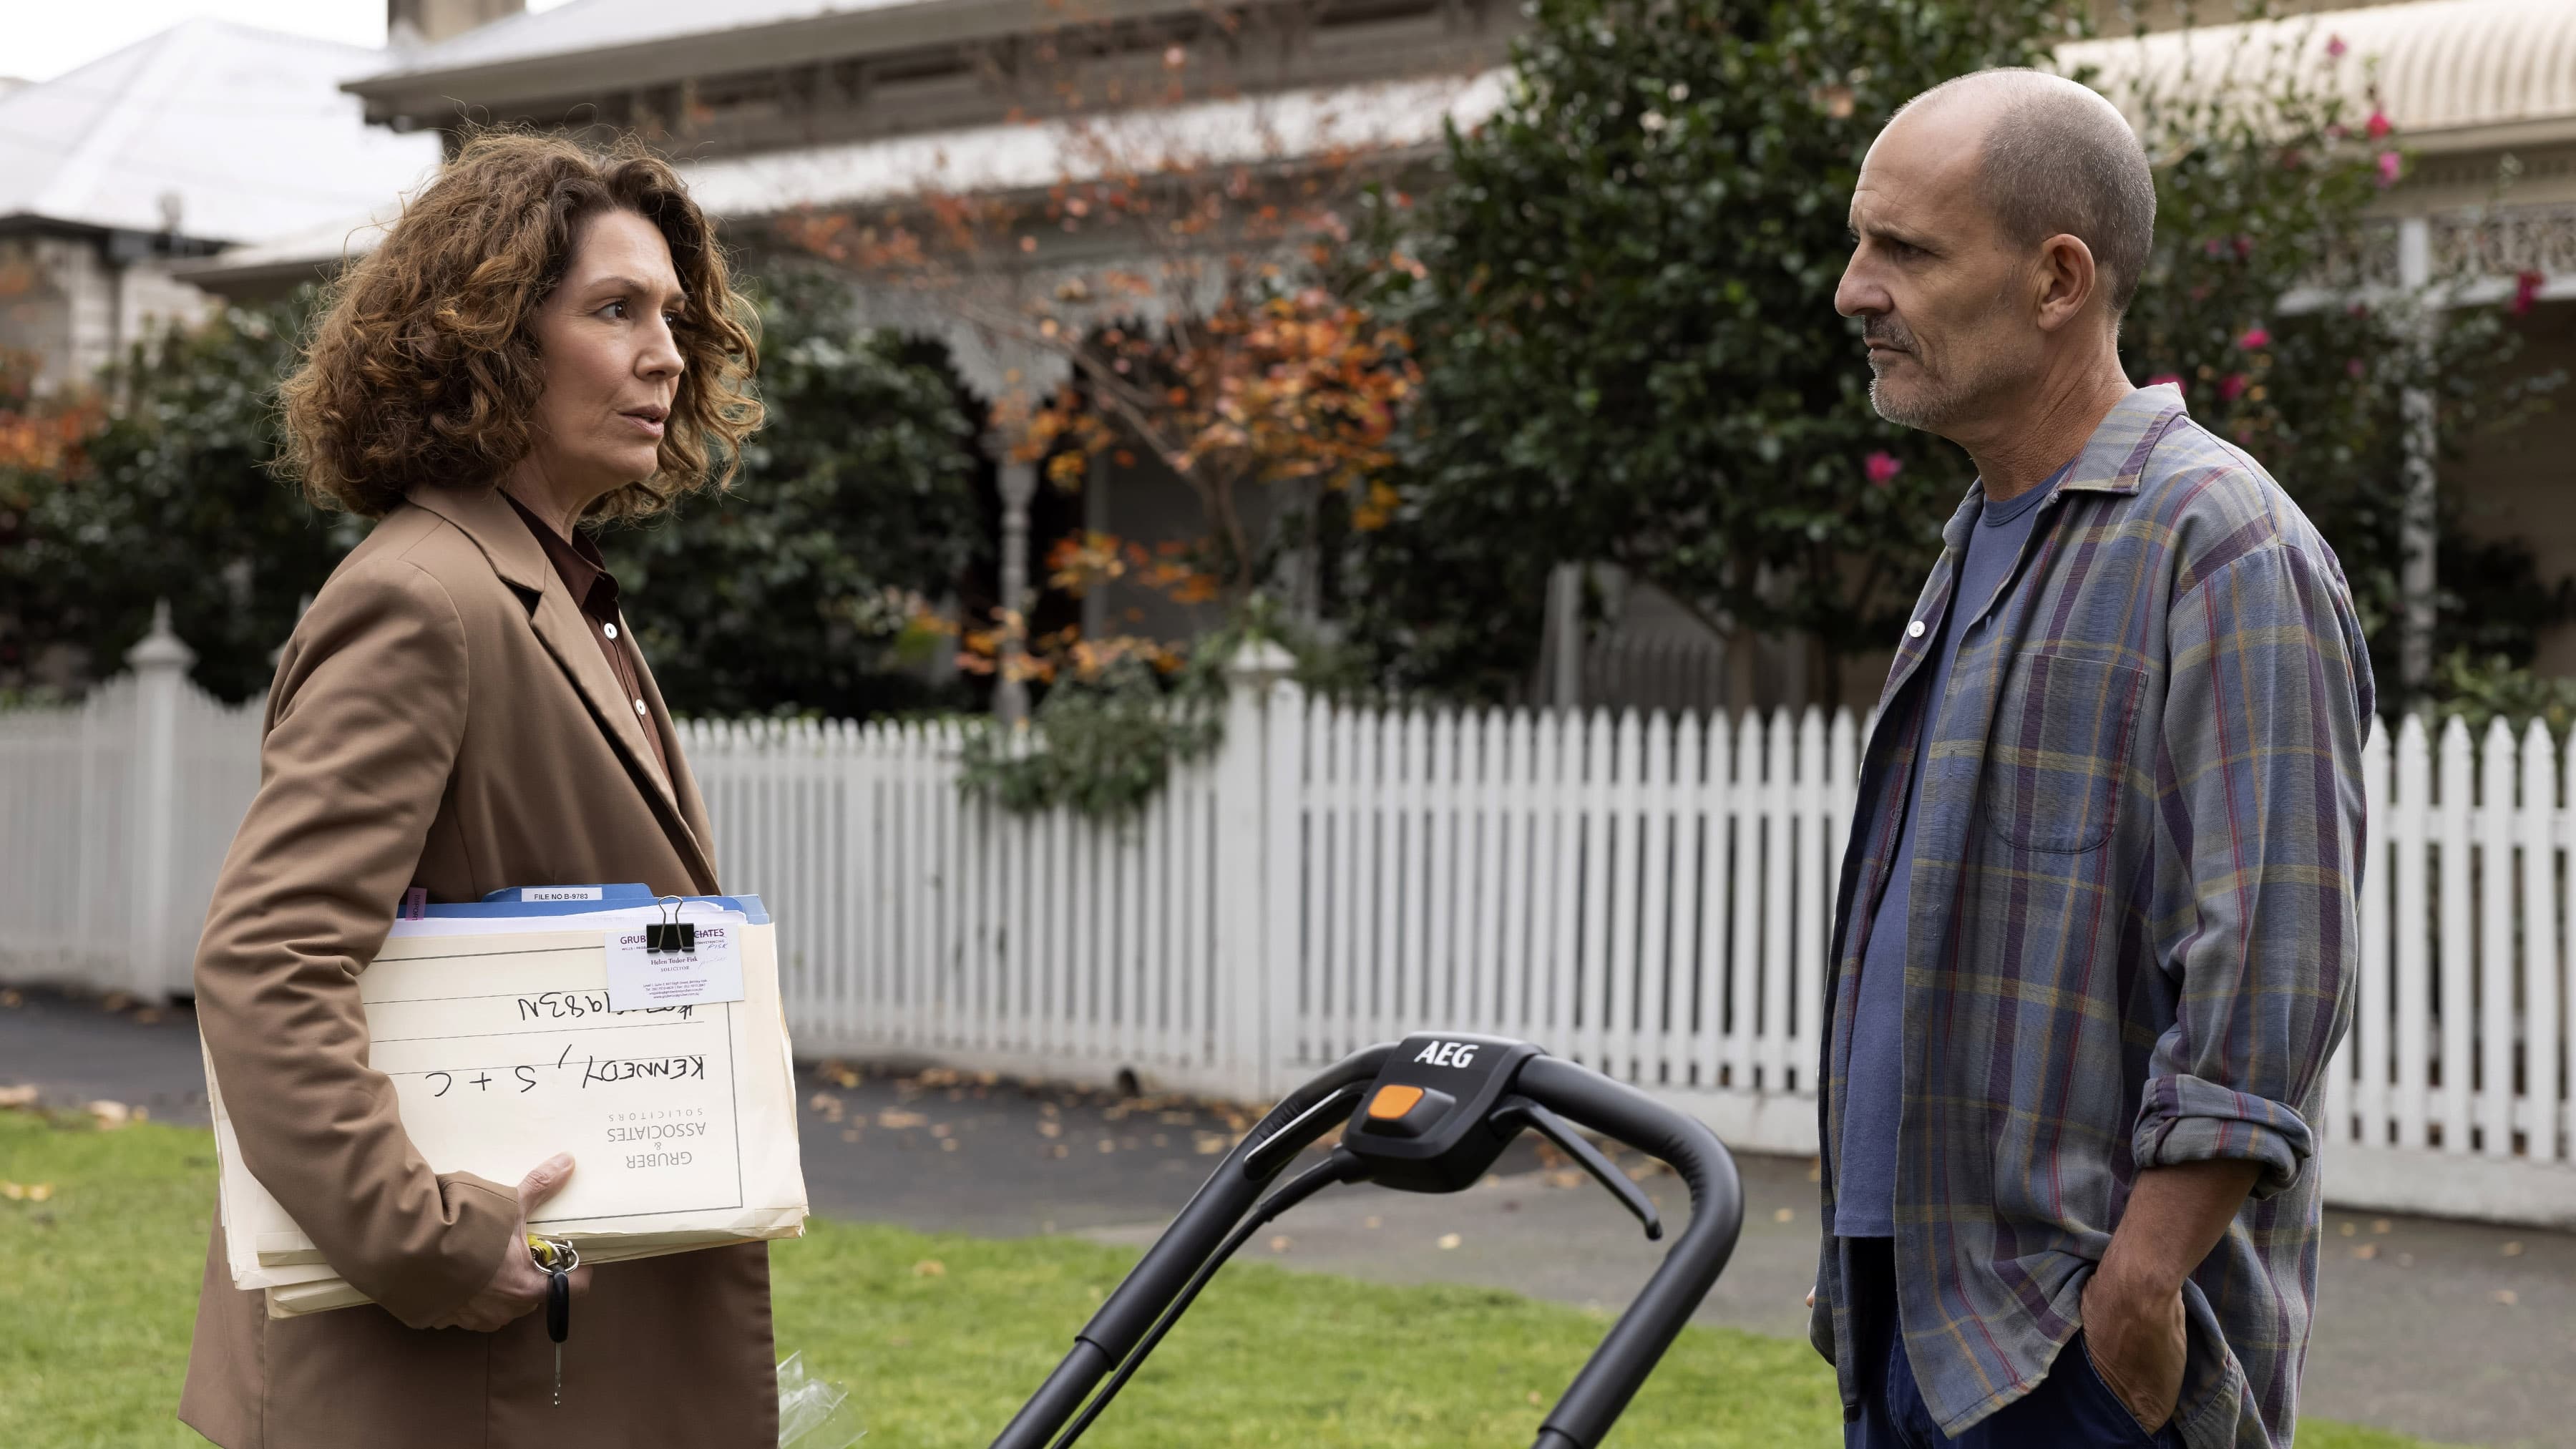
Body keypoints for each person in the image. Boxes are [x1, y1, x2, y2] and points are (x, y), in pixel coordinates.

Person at [1808, 69, 2371, 1449]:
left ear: (2058, 278)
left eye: (1906, 250)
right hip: (1915, 1311)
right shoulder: (1978, 540)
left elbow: (2274, 956)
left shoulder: (2219, 539)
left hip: (2077, 1349)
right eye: (1861, 242)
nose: (1852, 289)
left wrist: (2141, 1282)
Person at [179, 133, 767, 1448]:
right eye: (615, 310)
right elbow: (266, 959)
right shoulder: (425, 598)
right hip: (451, 1382)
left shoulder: (548, 586)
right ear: (489, 340)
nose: (667, 354)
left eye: (671, 315)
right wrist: (429, 1240)